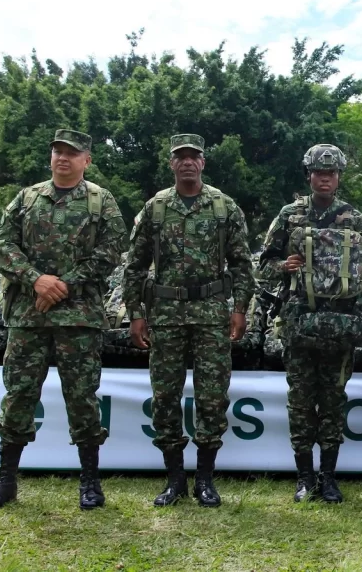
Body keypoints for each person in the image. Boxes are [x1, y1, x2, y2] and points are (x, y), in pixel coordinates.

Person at [0, 129, 126, 511]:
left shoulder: (101, 201)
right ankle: (6, 481)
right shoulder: (27, 198)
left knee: (82, 397)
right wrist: (35, 280)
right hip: (28, 316)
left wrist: (63, 284)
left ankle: (90, 482)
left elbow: (111, 251)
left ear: (86, 160)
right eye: (58, 151)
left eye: (71, 153)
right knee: (19, 395)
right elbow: (2, 245)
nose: (63, 157)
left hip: (79, 317)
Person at [123, 134, 254, 508]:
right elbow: (134, 266)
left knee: (212, 397)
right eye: (180, 157)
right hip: (166, 315)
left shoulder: (223, 207)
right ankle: (175, 479)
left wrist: (240, 308)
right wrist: (136, 314)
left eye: (193, 156)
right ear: (171, 164)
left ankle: (206, 480)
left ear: (203, 162)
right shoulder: (156, 208)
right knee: (165, 396)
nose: (187, 162)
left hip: (211, 314)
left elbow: (242, 264)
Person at [259, 144, 362, 504]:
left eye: (331, 173)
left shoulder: (354, 219)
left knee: (334, 402)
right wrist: (284, 266)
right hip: (300, 322)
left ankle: (329, 477)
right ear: (308, 175)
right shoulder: (289, 215)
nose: (325, 178)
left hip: (341, 323)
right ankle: (304, 477)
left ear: (339, 177)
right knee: (300, 403)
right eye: (319, 173)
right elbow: (262, 266)